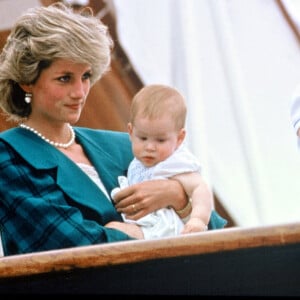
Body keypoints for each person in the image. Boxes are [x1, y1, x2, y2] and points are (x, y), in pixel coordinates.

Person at [0, 3, 201, 256]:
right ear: (27, 81)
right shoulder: (7, 155)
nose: (80, 92)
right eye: (65, 78)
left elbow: (212, 227)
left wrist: (177, 196)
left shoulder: (122, 145)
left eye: (85, 76)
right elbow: (76, 247)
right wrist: (153, 233)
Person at [111, 84, 227, 239]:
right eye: (143, 138)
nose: (150, 147)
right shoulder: (137, 162)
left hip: (168, 227)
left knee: (113, 230)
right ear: (131, 132)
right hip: (147, 222)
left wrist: (198, 219)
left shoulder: (175, 162)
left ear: (179, 138)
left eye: (160, 140)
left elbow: (200, 187)